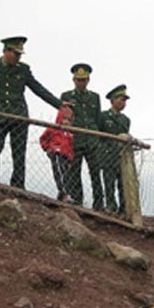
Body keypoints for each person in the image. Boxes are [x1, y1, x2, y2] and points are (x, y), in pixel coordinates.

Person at [0, 36, 64, 189]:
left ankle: (17, 186)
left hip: (19, 115)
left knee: (18, 152)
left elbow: (38, 89)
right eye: (15, 54)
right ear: (6, 51)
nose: (17, 58)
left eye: (19, 55)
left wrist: (60, 105)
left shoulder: (23, 69)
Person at [60, 63, 104, 210]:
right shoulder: (66, 96)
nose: (81, 82)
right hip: (75, 140)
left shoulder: (94, 97)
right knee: (74, 172)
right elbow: (63, 117)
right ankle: (77, 202)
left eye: (84, 79)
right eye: (79, 80)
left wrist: (97, 137)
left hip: (92, 140)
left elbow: (97, 119)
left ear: (88, 80)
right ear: (74, 80)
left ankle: (99, 204)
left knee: (95, 173)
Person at [99, 84, 131, 214]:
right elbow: (99, 135)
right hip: (107, 154)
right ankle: (111, 206)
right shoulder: (103, 116)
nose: (123, 102)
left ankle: (124, 209)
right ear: (113, 100)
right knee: (109, 182)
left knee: (123, 184)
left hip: (121, 155)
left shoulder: (126, 120)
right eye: (121, 99)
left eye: (125, 100)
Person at [39, 107, 74, 202]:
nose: (66, 122)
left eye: (69, 120)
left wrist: (71, 155)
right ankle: (65, 194)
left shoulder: (70, 133)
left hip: (67, 156)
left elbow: (71, 146)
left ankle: (62, 194)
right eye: (64, 119)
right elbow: (43, 138)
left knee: (66, 174)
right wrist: (47, 148)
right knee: (59, 172)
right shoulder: (53, 129)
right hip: (56, 152)